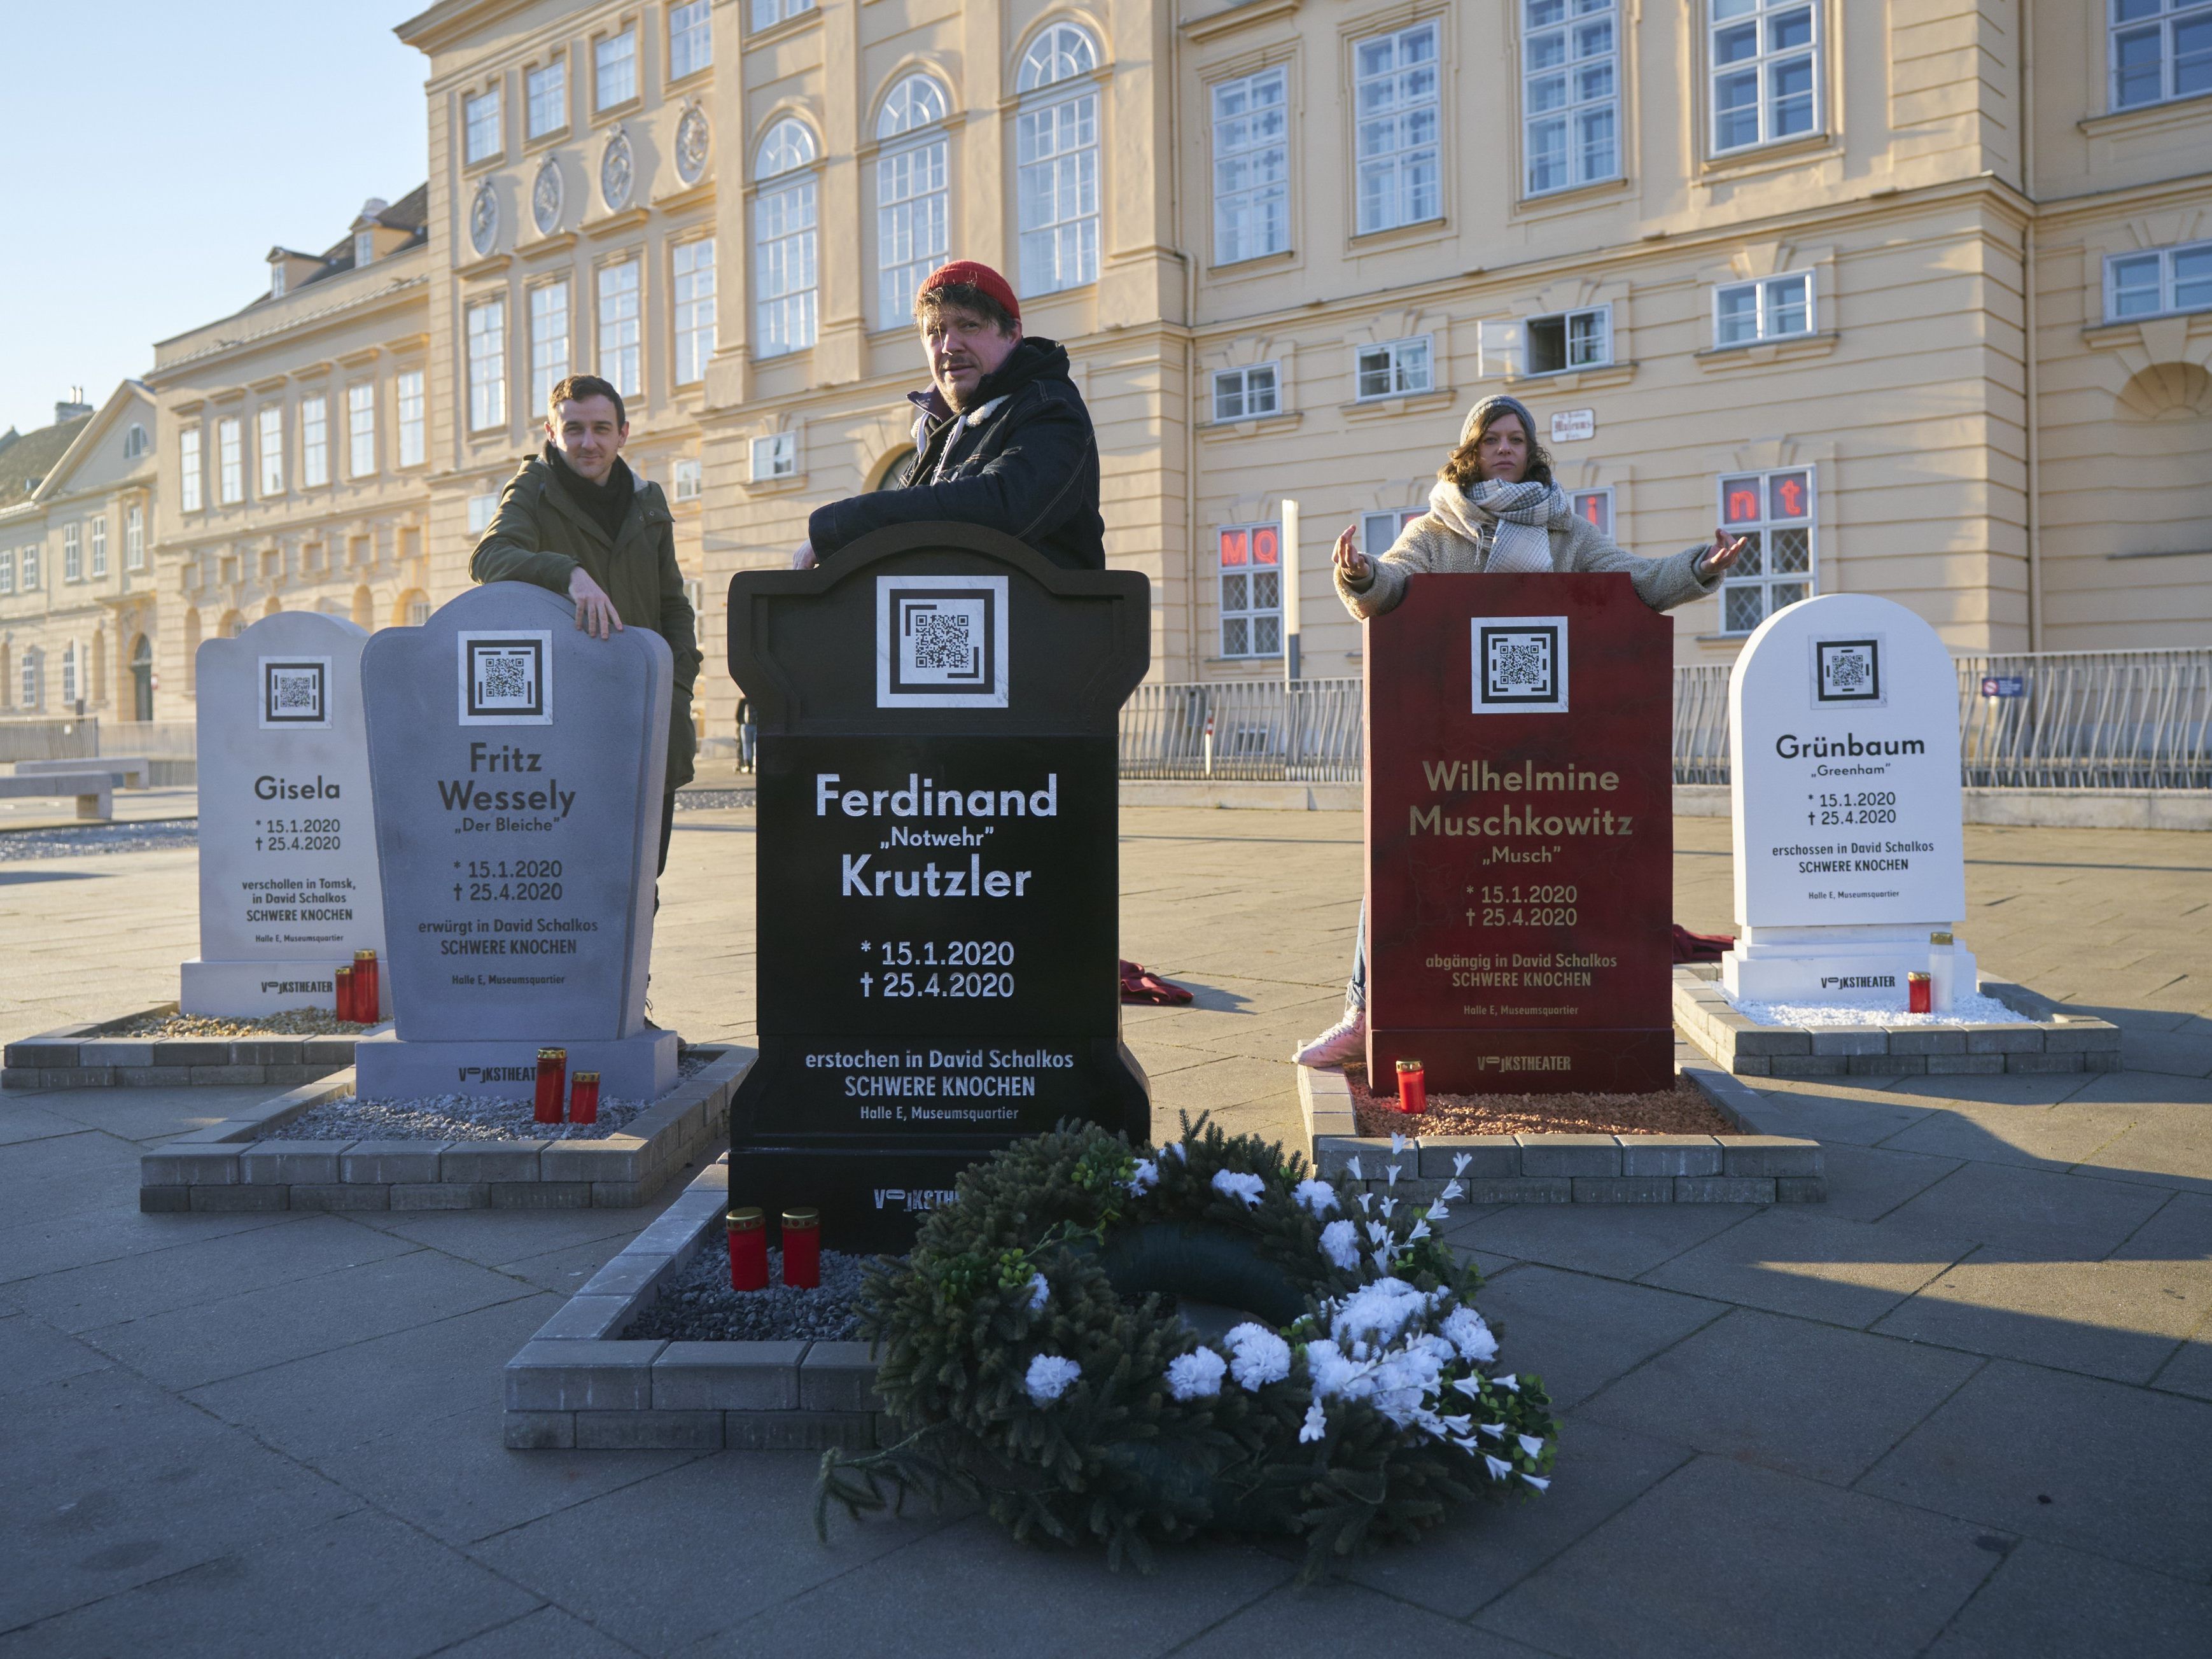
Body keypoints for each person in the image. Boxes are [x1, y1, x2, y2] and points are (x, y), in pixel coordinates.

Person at [1293, 393, 1747, 1068]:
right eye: (1490, 440)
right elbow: (1391, 586)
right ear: (1469, 451)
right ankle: (1365, 1015)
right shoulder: (1435, 529)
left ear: (1530, 451)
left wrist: (1700, 569)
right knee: (1398, 868)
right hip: (1447, 744)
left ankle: (1576, 1021)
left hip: (1547, 748)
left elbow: (1636, 584)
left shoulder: (1566, 532)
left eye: (1514, 439)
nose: (1503, 449)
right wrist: (1357, 575)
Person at [468, 372, 703, 879]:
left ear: (623, 432)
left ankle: (637, 966)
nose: (588, 442)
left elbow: (673, 605)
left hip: (645, 715)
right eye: (573, 429)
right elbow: (489, 557)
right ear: (551, 433)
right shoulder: (534, 487)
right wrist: (568, 571)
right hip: (567, 729)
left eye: (601, 428)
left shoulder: (648, 498)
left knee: (644, 879)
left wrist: (677, 685)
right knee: (575, 881)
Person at [792, 260, 1104, 571]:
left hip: (1037, 619)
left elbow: (1006, 507)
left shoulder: (1048, 406)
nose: (950, 345)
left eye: (969, 325)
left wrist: (839, 525)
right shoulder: (937, 433)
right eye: (936, 332)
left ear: (1012, 334)